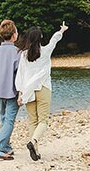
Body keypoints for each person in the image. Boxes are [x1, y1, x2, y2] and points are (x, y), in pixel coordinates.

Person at [16, 22, 69, 161]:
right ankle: (33, 142)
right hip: (43, 88)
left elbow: (20, 75)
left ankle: (36, 151)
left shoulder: (24, 55)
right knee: (43, 121)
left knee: (33, 120)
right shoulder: (46, 51)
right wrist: (62, 30)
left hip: (28, 90)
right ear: (40, 37)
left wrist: (20, 93)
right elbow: (54, 39)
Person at [0, 19, 21, 161]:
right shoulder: (17, 52)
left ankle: (6, 146)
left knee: (4, 118)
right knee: (9, 120)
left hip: (0, 89)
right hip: (12, 90)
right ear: (14, 34)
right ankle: (0, 148)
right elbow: (19, 74)